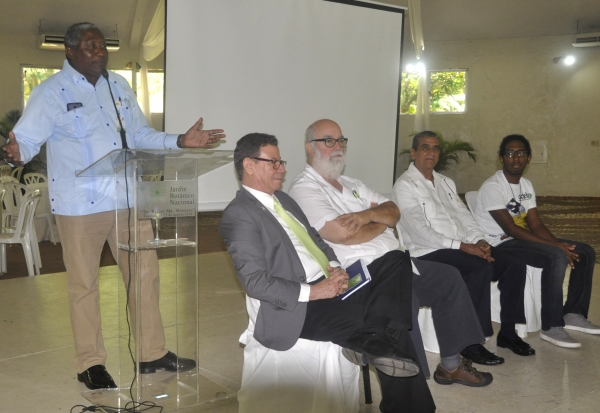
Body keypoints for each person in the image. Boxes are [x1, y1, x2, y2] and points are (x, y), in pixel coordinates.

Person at [1, 22, 225, 390]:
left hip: (126, 200)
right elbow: (24, 140)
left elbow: (139, 134)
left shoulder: (118, 85)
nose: (100, 52)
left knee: (145, 277)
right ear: (70, 52)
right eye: (91, 46)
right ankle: (90, 363)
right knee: (84, 287)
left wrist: (180, 140)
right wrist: (13, 154)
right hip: (79, 206)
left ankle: (152, 354)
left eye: (103, 46)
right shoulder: (51, 92)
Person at [220, 133, 435, 413]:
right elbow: (256, 283)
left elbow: (318, 241)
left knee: (395, 260)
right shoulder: (239, 214)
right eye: (273, 162)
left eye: (280, 161)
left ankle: (371, 338)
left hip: (331, 286)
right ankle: (406, 400)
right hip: (302, 305)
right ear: (249, 165)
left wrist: (336, 268)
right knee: (392, 327)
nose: (282, 168)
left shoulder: (284, 200)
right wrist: (316, 291)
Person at [288, 119, 494, 388]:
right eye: (328, 141)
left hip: (395, 261)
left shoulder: (352, 183)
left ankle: (452, 366)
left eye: (341, 141)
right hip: (359, 272)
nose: (337, 147)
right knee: (405, 299)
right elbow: (343, 234)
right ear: (310, 148)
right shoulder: (304, 188)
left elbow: (393, 212)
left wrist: (367, 215)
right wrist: (380, 223)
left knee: (449, 278)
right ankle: (411, 384)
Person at [393, 131, 535, 358]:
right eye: (425, 147)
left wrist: (479, 241)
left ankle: (508, 333)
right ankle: (471, 343)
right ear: (414, 152)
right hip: (428, 252)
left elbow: (465, 216)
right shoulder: (404, 186)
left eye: (436, 148)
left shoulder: (445, 182)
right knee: (480, 268)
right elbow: (419, 231)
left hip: (461, 247)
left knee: (514, 264)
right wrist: (462, 246)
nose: (431, 152)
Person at [471, 134, 600, 348]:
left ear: (529, 158)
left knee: (585, 251)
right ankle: (551, 325)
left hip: (521, 239)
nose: (516, 158)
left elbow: (536, 225)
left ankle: (573, 313)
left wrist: (560, 244)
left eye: (521, 153)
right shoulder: (492, 187)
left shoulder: (526, 185)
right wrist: (557, 247)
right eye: (510, 153)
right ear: (501, 158)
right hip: (501, 243)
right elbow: (511, 229)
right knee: (555, 255)